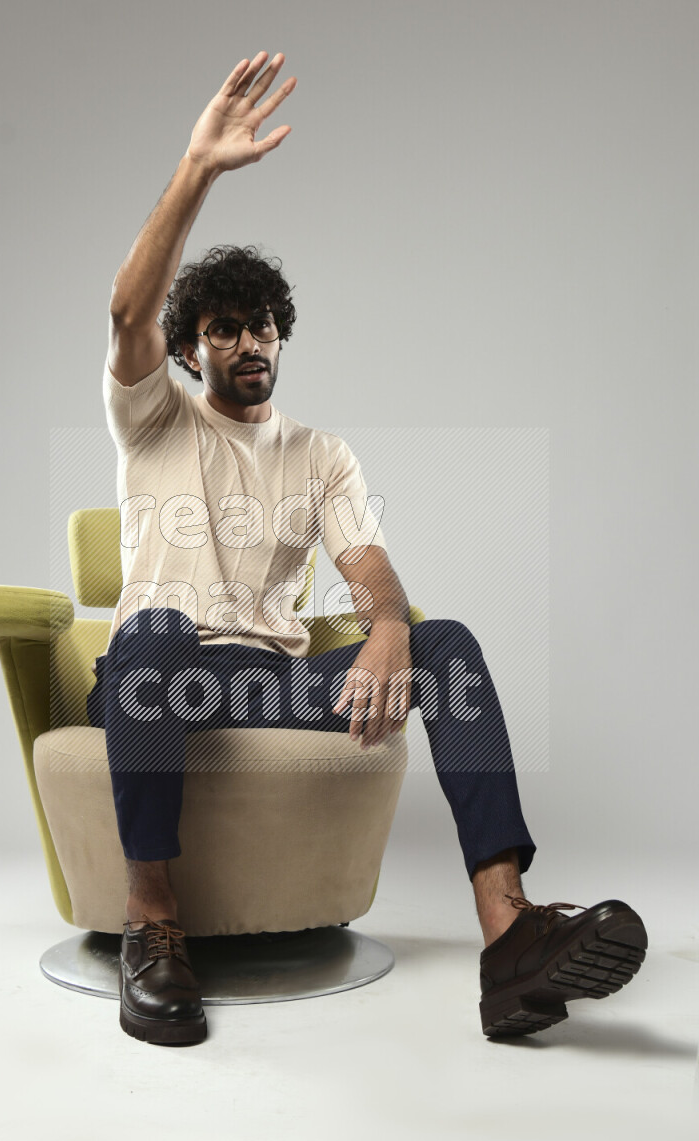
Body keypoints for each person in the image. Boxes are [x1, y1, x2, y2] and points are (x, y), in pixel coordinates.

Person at [87, 51, 647, 1046]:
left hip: (260, 682)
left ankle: (508, 937)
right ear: (187, 352)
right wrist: (198, 168)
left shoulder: (318, 453)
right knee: (159, 633)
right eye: (224, 329)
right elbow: (129, 308)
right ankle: (152, 924)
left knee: (449, 646)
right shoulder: (154, 417)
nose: (250, 342)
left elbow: (367, 568)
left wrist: (388, 624)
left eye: (261, 327)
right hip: (153, 674)